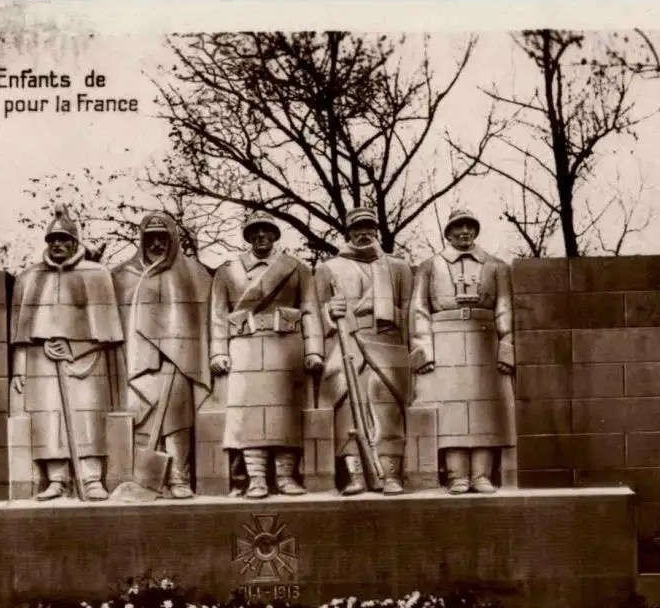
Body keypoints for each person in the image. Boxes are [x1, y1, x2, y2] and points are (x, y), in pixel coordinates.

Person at [10, 205, 123, 501]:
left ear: (74, 242)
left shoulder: (96, 274)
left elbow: (110, 331)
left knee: (88, 415)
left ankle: (91, 478)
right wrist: (19, 368)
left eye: (63, 239)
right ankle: (57, 479)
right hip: (41, 359)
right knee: (49, 418)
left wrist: (76, 348)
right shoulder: (29, 277)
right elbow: (20, 332)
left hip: (87, 359)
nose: (57, 244)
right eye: (52, 239)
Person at [209, 211, 323, 499]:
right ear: (248, 236)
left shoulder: (296, 268)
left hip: (286, 346)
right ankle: (256, 478)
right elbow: (218, 315)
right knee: (248, 414)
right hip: (244, 347)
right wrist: (218, 351)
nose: (261, 235)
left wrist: (314, 349)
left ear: (275, 235)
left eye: (266, 230)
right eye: (255, 231)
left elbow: (310, 309)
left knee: (286, 413)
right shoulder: (227, 271)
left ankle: (285, 476)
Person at [409, 208, 515, 494]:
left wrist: (506, 347)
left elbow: (505, 307)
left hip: (484, 340)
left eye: (470, 226)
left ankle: (481, 475)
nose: (464, 232)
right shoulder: (429, 266)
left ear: (476, 231)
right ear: (448, 233)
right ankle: (457, 475)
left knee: (485, 410)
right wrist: (423, 349)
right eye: (458, 227)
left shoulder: (497, 266)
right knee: (450, 412)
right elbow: (419, 309)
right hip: (444, 340)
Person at [111, 211, 212, 499]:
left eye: (162, 238)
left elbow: (204, 320)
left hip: (179, 363)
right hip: (137, 363)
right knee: (141, 415)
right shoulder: (123, 275)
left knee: (178, 418)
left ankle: (179, 477)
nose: (156, 244)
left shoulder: (195, 274)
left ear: (173, 239)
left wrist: (182, 352)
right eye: (150, 238)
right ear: (142, 241)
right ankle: (144, 478)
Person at [314, 206, 413, 496]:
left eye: (369, 227)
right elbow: (315, 311)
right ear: (349, 233)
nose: (364, 233)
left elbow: (409, 312)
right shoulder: (329, 268)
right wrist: (329, 312)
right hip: (346, 344)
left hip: (387, 343)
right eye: (358, 228)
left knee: (387, 408)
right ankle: (355, 474)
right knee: (347, 408)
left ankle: (390, 474)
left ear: (376, 230)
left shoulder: (398, 267)